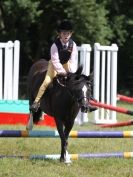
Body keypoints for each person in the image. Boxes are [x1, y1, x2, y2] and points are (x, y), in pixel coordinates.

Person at [30, 20, 97, 112]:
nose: (66, 35)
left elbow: (73, 60)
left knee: (79, 81)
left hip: (67, 64)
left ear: (71, 34)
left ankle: (86, 103)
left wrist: (72, 73)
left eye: (68, 33)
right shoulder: (54, 45)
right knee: (46, 81)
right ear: (60, 34)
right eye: (64, 33)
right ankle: (36, 102)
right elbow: (55, 61)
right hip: (54, 65)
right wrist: (63, 72)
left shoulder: (73, 45)